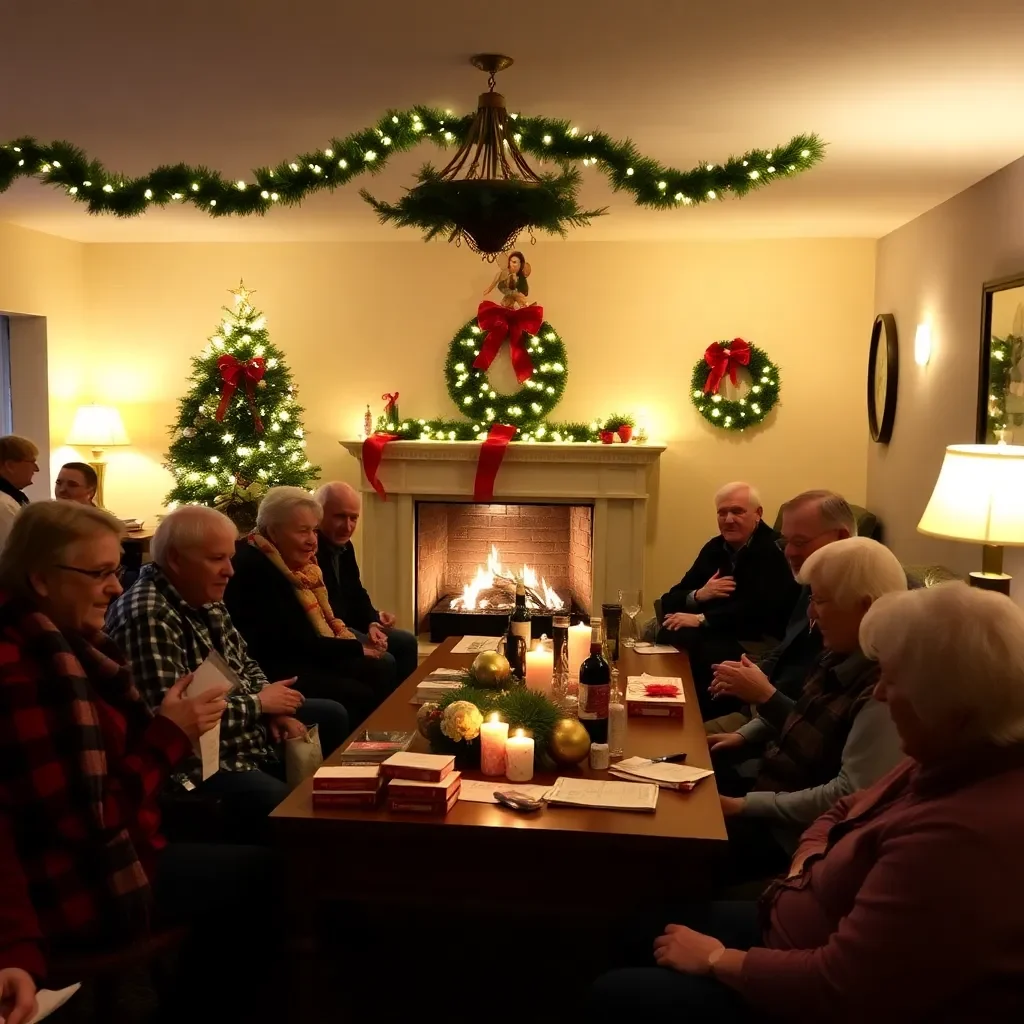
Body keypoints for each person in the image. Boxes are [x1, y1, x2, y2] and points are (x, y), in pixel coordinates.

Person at [590, 581, 1024, 1023]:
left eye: (892, 681)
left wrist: (718, 960)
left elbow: (837, 986)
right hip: (791, 912)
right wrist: (810, 861)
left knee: (614, 994)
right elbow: (846, 807)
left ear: (948, 698)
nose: (879, 694)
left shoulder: (961, 837)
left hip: (791, 981)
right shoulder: (944, 755)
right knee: (636, 923)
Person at [0, 501, 284, 1023]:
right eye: (101, 573)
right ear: (40, 579)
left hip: (130, 836)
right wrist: (169, 735)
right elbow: (94, 819)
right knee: (269, 871)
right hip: (79, 884)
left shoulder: (67, 645)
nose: (115, 588)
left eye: (118, 571)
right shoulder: (26, 674)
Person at [107, 506, 350, 845]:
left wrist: (273, 706)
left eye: (230, 558)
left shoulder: (202, 592)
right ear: (176, 560)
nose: (230, 571)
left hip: (238, 725)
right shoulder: (148, 616)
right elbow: (175, 725)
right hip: (198, 765)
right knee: (288, 809)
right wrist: (259, 705)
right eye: (217, 559)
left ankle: (340, 825)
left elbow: (244, 659)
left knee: (332, 714)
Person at [706, 538, 906, 882]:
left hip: (789, 835)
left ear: (866, 607)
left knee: (669, 855)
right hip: (769, 791)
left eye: (822, 601)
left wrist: (743, 806)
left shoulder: (882, 692)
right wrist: (743, 735)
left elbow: (848, 794)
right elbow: (804, 708)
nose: (812, 613)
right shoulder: (838, 651)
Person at [225, 486, 400, 726]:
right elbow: (290, 643)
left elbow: (349, 598)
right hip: (275, 668)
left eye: (314, 531)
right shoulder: (256, 567)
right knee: (361, 689)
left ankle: (387, 735)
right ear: (274, 532)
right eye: (303, 532)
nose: (312, 542)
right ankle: (362, 751)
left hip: (299, 653)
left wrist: (366, 629)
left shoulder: (297, 565)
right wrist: (354, 649)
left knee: (377, 668)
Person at [706, 490, 857, 736]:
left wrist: (763, 696)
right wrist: (750, 672)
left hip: (785, 732)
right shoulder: (810, 582)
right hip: (763, 720)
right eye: (785, 542)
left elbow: (823, 734)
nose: (788, 553)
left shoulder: (855, 611)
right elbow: (786, 647)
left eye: (799, 542)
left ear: (841, 537)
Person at [658, 482, 799, 716]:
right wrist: (699, 595)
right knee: (670, 629)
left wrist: (703, 618)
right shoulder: (715, 547)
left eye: (737, 511)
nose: (729, 519)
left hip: (757, 638)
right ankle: (664, 706)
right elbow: (670, 597)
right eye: (722, 512)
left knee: (701, 650)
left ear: (758, 514)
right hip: (722, 629)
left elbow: (761, 611)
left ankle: (700, 720)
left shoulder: (775, 550)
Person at [314, 481, 419, 683]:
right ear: (319, 514)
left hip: (351, 624)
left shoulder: (345, 546)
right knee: (383, 660)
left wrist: (372, 621)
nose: (348, 526)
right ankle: (382, 713)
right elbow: (329, 610)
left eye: (353, 518)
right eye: (340, 517)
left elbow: (355, 592)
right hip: (332, 631)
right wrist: (363, 630)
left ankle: (404, 705)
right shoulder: (311, 550)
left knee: (407, 642)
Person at [0, 435, 39, 551]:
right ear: (10, 466)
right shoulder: (4, 506)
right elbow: (16, 552)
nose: (36, 469)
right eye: (32, 462)